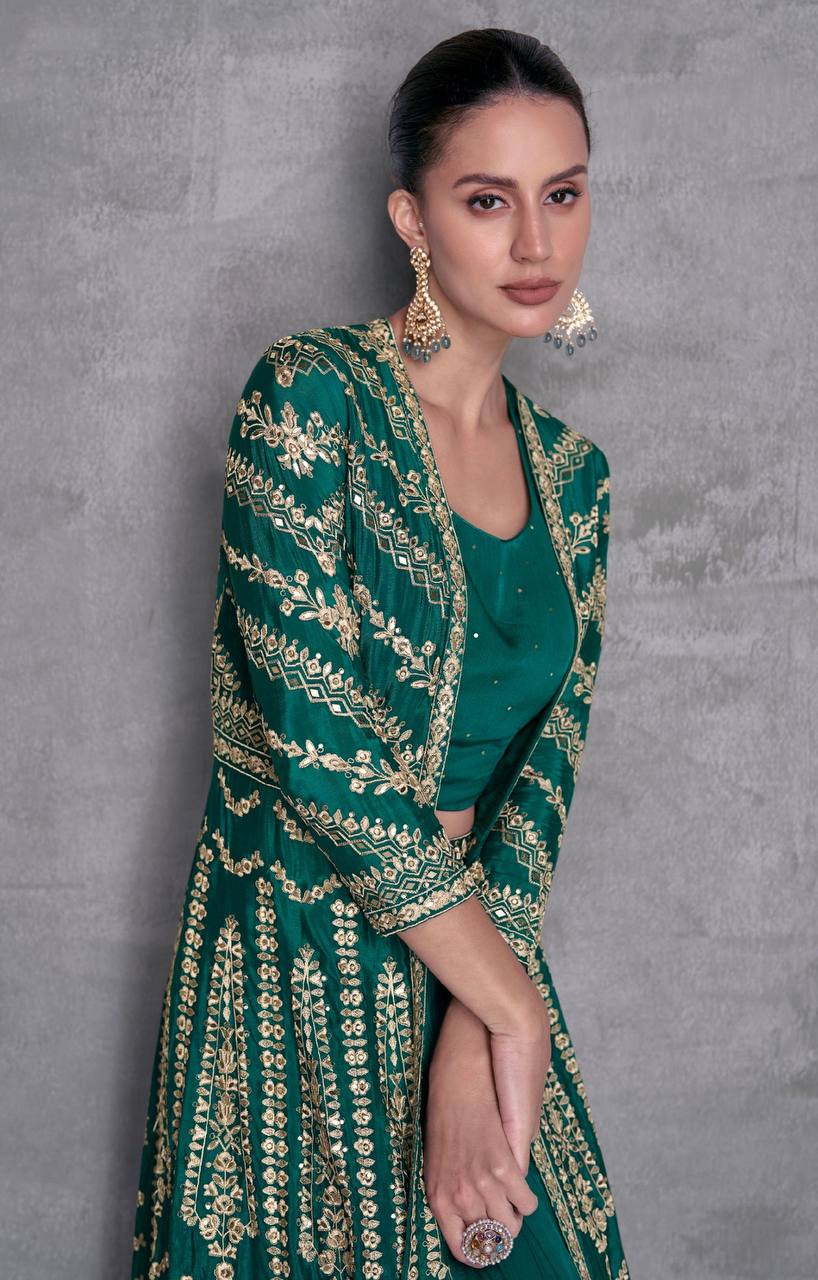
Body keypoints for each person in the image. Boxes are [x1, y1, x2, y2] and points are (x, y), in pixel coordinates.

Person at [131, 26, 630, 1280]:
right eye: (487, 201)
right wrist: (507, 1003)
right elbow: (318, 745)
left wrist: (474, 1027)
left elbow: (542, 780)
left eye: (563, 194)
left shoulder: (573, 480)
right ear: (412, 220)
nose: (535, 244)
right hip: (300, 965)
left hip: (477, 963)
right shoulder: (308, 400)